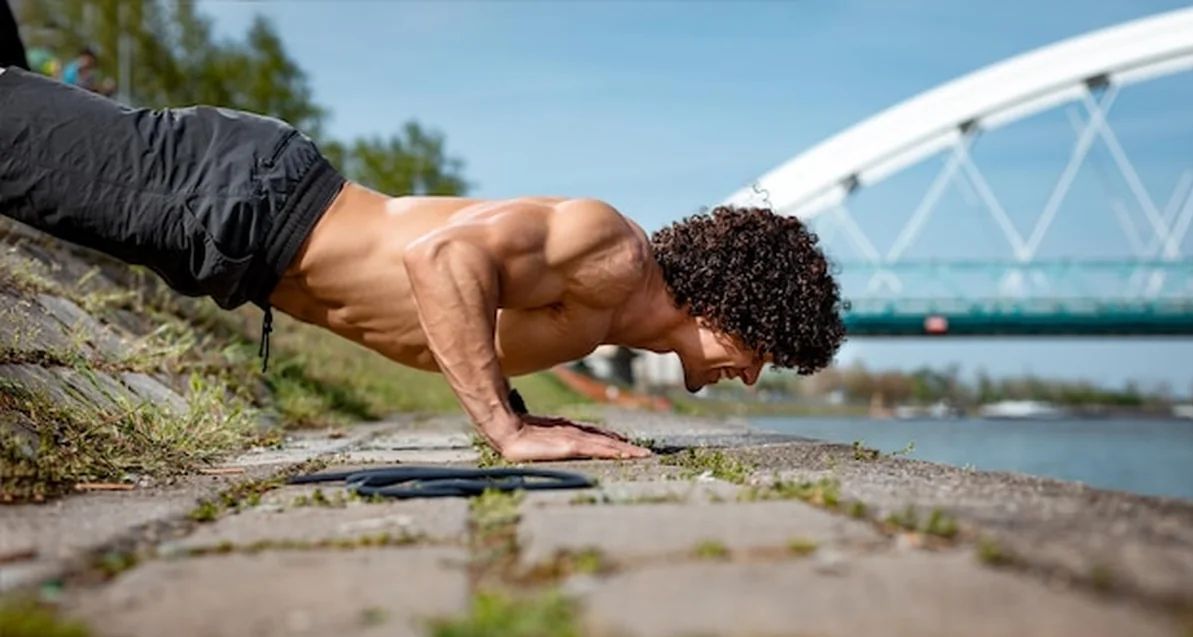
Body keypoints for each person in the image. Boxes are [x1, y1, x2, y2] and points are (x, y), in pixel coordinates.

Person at [0, 66, 847, 463]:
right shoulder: (614, 252)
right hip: (240, 197)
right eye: (766, 349)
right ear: (736, 307)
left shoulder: (605, 310)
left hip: (243, 227)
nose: (754, 374)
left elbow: (472, 319)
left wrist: (534, 415)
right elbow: (442, 262)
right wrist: (507, 433)